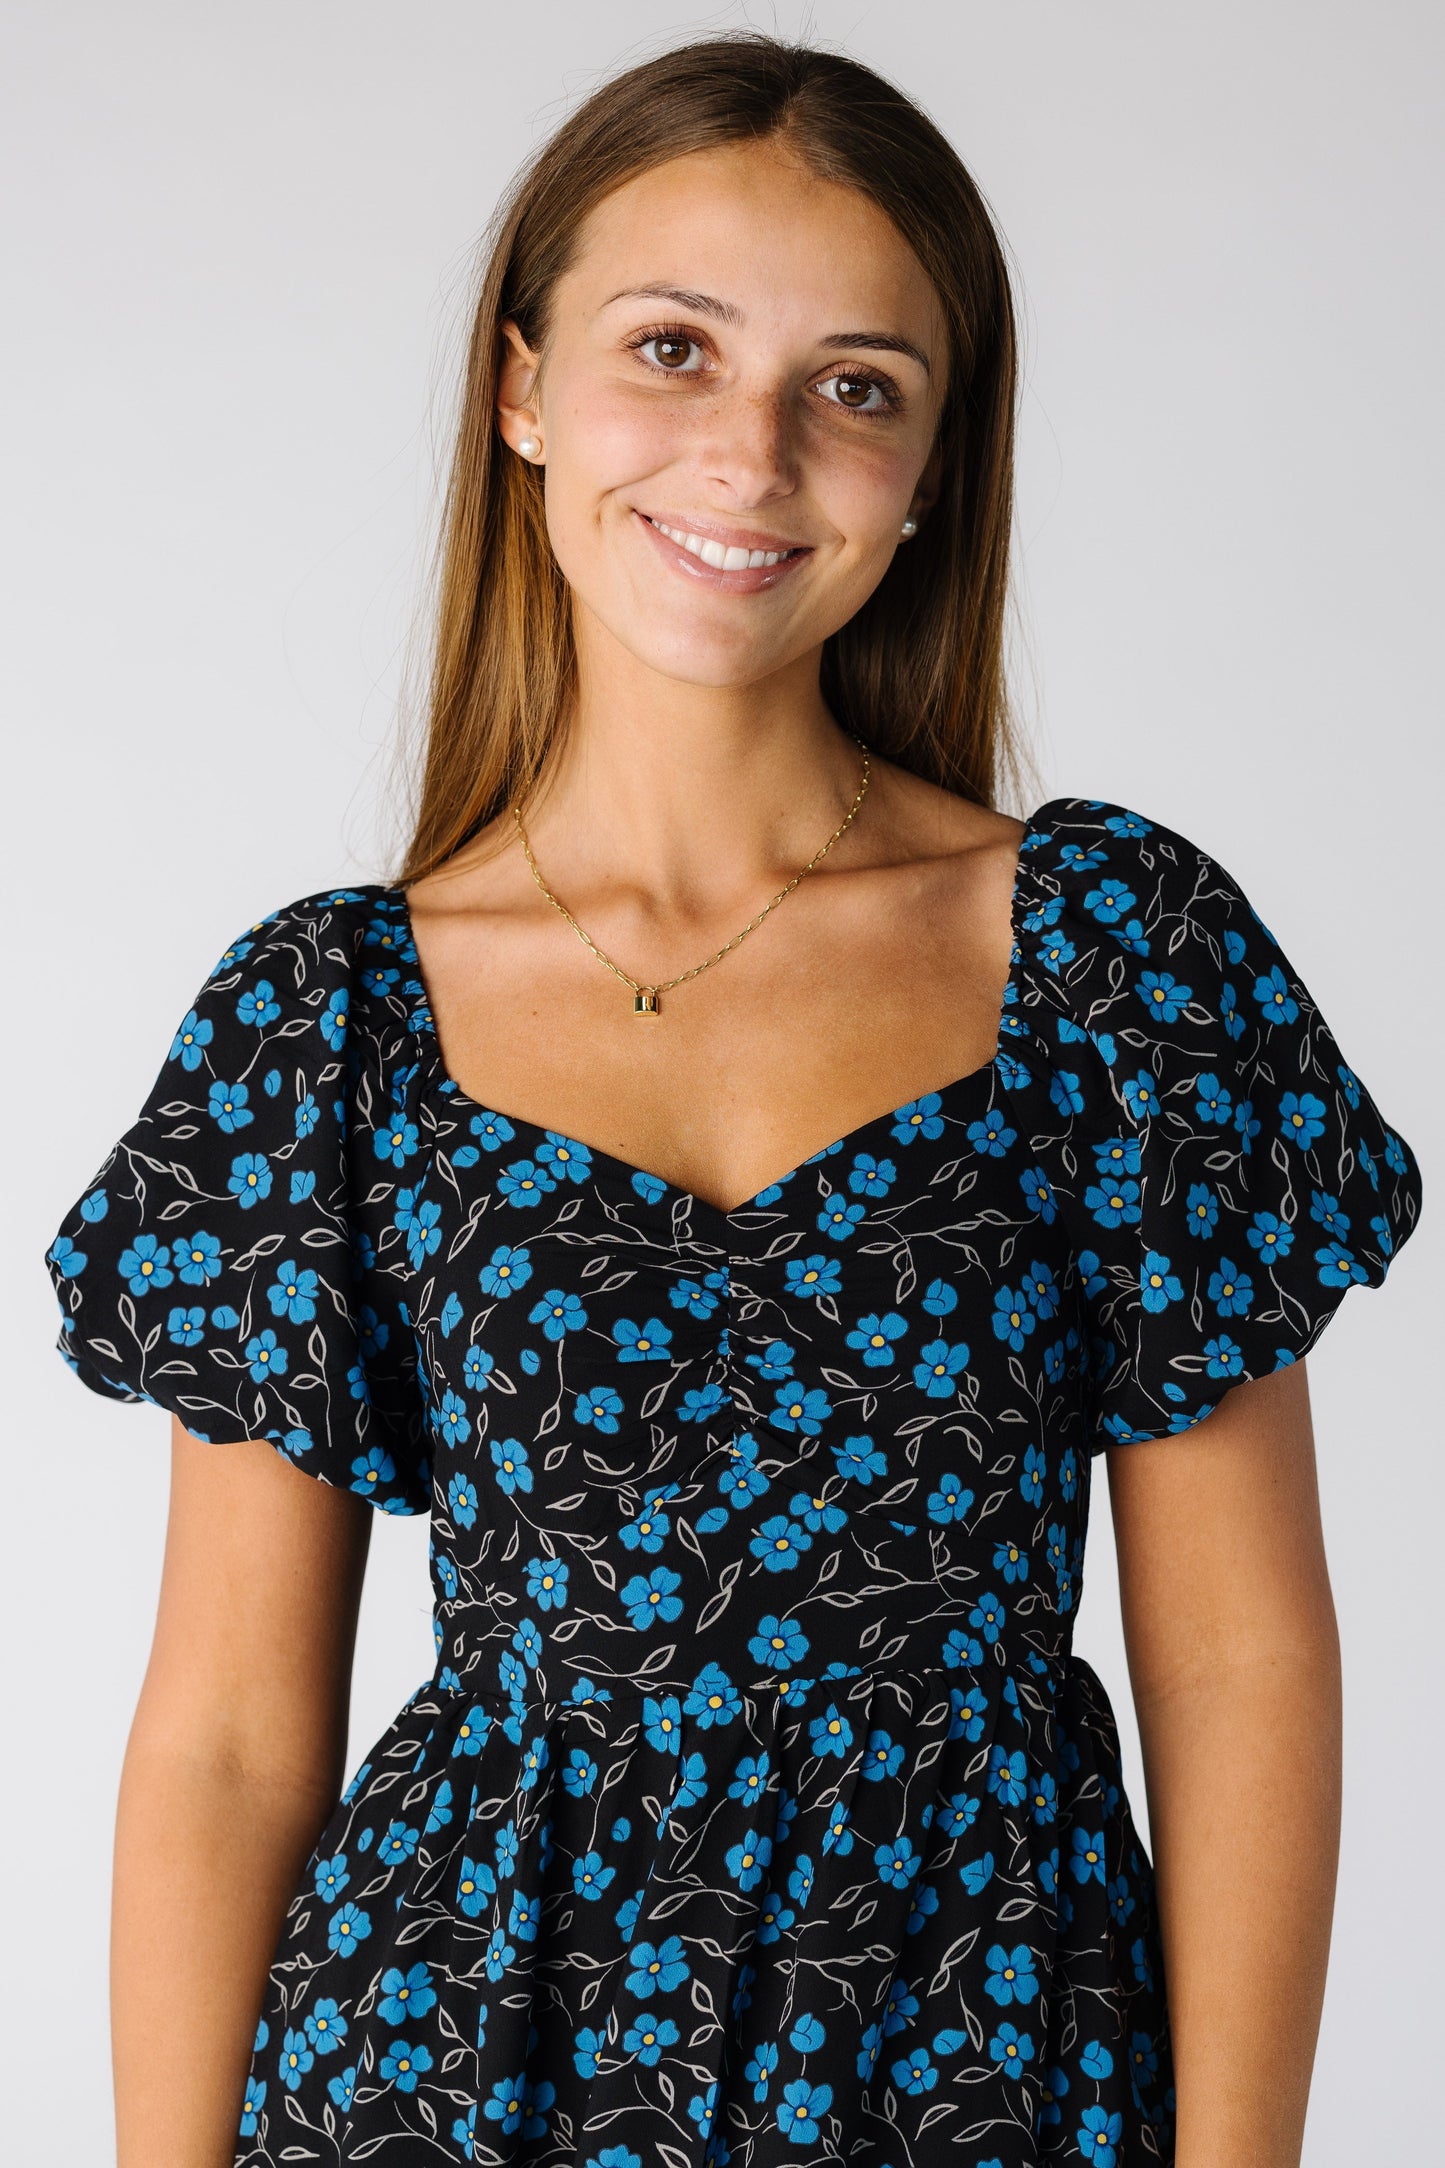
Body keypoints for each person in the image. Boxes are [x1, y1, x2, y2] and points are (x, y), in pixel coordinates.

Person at [44, 32, 1422, 2168]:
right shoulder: (326, 1026)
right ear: (521, 387)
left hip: (985, 2064)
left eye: (855, 384)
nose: (752, 454)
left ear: (937, 460)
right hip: (450, 2073)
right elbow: (228, 1736)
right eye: (671, 348)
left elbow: (1243, 1667)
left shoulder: (1113, 962)